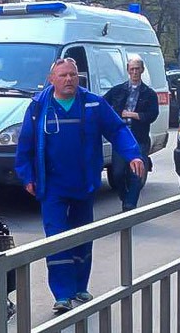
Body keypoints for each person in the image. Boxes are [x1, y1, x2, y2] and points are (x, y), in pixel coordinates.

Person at [15, 58, 146, 315]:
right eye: (63, 75)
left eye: (73, 75)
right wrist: (27, 175)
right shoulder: (39, 106)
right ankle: (62, 294)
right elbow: (26, 143)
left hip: (83, 183)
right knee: (56, 237)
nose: (69, 80)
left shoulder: (93, 103)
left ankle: (78, 287)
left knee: (82, 236)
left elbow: (117, 129)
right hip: (51, 185)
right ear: (52, 79)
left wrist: (134, 154)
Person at [103, 54, 159, 211]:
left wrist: (133, 115)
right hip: (120, 138)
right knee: (118, 173)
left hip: (139, 138)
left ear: (142, 70)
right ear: (128, 70)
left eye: (137, 69)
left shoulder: (149, 94)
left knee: (136, 174)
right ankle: (124, 196)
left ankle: (130, 205)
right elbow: (102, 105)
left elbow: (152, 114)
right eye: (132, 69)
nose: (135, 72)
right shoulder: (117, 90)